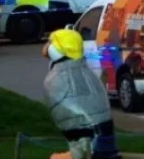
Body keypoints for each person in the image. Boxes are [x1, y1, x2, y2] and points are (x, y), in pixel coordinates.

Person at [44, 29, 121, 159]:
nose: (47, 46)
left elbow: (73, 123)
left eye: (51, 43)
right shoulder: (87, 73)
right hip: (107, 145)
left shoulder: (56, 79)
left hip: (89, 149)